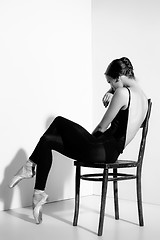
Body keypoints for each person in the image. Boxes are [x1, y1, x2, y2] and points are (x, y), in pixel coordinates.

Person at [9, 57, 148, 224]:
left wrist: (86, 140)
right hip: (110, 152)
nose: (110, 87)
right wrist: (112, 91)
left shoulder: (122, 93)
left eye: (110, 82)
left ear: (118, 77)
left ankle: (30, 166)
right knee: (47, 141)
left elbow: (102, 127)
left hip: (101, 149)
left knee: (59, 121)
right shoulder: (142, 98)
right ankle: (38, 192)